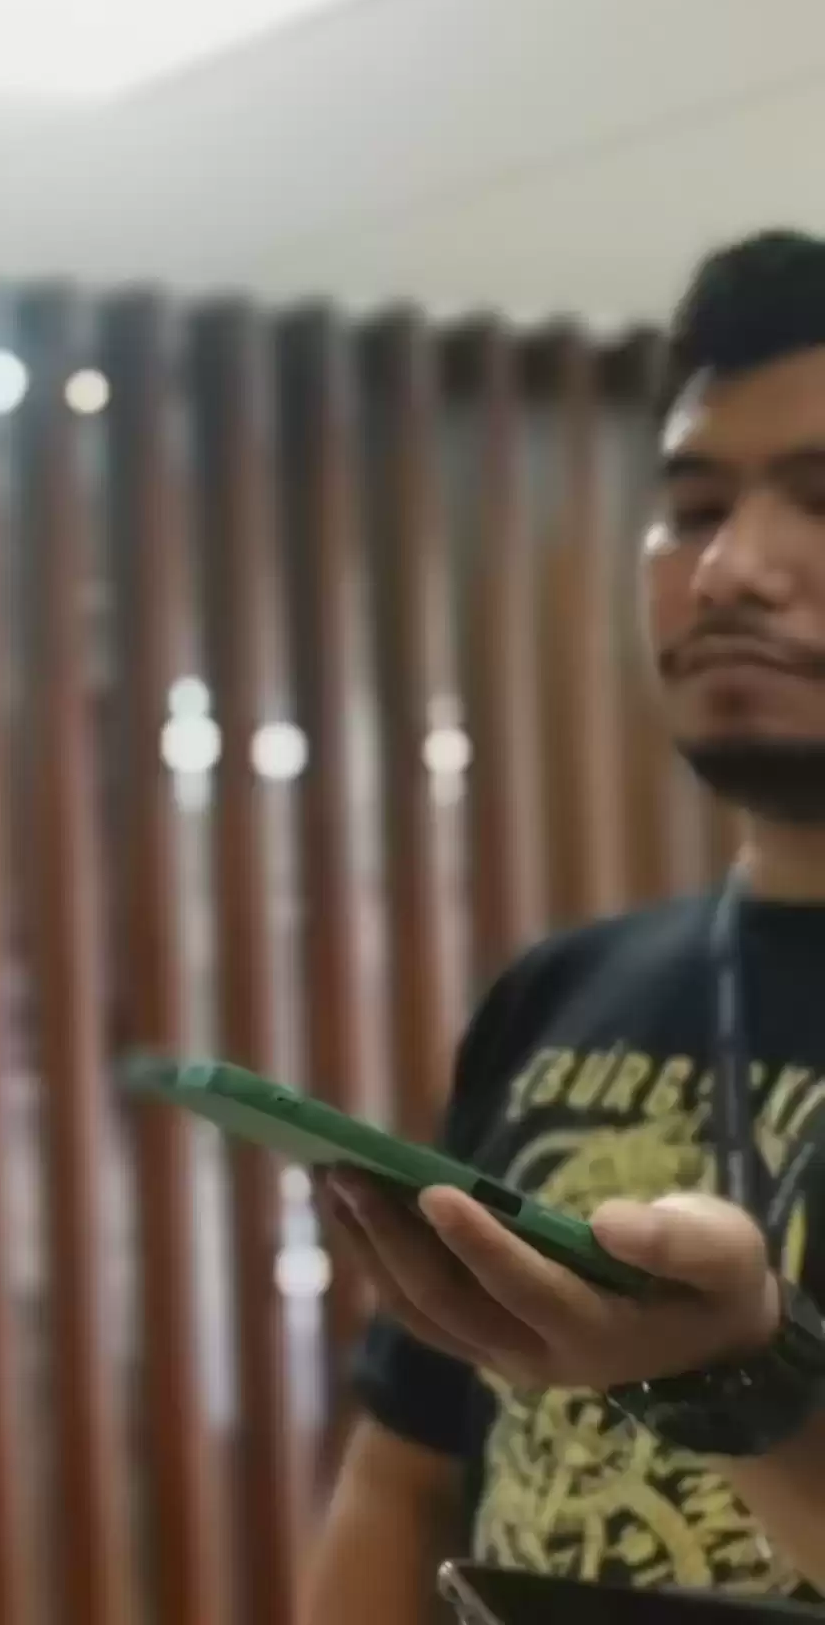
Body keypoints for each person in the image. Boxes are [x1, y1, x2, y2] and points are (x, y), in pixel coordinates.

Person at [307, 230, 825, 1619]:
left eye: (823, 499)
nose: (730, 572)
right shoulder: (564, 989)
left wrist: (735, 1378)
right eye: (694, 508)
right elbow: (405, 1476)